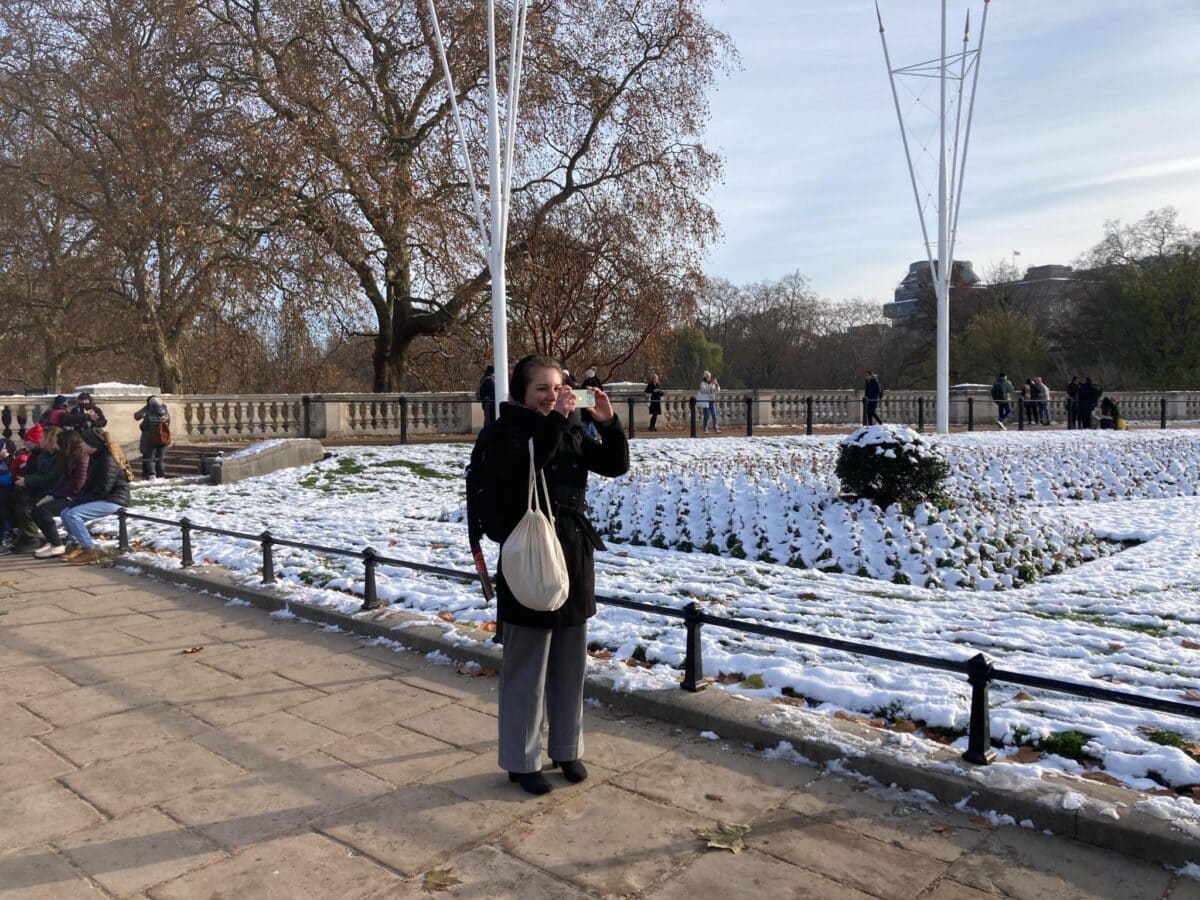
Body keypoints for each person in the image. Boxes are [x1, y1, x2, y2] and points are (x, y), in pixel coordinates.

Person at [468, 354, 629, 795]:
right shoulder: (504, 432)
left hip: (572, 552)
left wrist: (609, 424)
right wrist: (557, 421)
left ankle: (566, 747)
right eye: (542, 388)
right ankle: (521, 759)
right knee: (528, 662)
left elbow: (614, 466)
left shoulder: (569, 425)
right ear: (521, 392)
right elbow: (524, 469)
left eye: (559, 388)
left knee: (570, 660)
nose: (553, 396)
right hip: (529, 555)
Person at [59, 429, 132, 564]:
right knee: (65, 512)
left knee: (73, 515)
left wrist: (81, 502)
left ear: (91, 444)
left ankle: (89, 550)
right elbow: (88, 484)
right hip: (103, 497)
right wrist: (77, 500)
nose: (80, 444)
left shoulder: (107, 459)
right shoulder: (95, 457)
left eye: (82, 442)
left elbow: (104, 489)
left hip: (114, 499)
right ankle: (77, 546)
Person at [31, 430, 90, 558]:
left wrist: (55, 496)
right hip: (68, 494)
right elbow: (63, 481)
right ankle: (52, 542)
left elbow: (78, 484)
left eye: (58, 442)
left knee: (43, 511)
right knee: (36, 509)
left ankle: (57, 545)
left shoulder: (81, 457)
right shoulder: (67, 457)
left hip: (79, 497)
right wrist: (52, 494)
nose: (56, 445)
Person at [6, 425, 59, 554]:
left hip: (53, 491)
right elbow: (38, 474)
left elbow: (50, 478)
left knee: (26, 505)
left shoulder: (55, 456)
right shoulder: (42, 455)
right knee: (14, 498)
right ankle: (23, 535)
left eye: (42, 438)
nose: (40, 440)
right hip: (40, 488)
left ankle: (32, 538)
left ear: (49, 440)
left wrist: (26, 481)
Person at [134, 395, 171, 479]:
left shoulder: (148, 415)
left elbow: (143, 426)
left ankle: (152, 475)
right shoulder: (166, 413)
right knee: (160, 459)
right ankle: (161, 475)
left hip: (150, 439)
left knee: (149, 458)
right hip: (163, 439)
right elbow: (168, 424)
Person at [580, 367, 604, 441]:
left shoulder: (593, 381)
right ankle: (591, 436)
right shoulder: (590, 381)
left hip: (590, 403)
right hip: (587, 404)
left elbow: (598, 391)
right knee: (589, 422)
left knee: (589, 422)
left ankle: (591, 437)